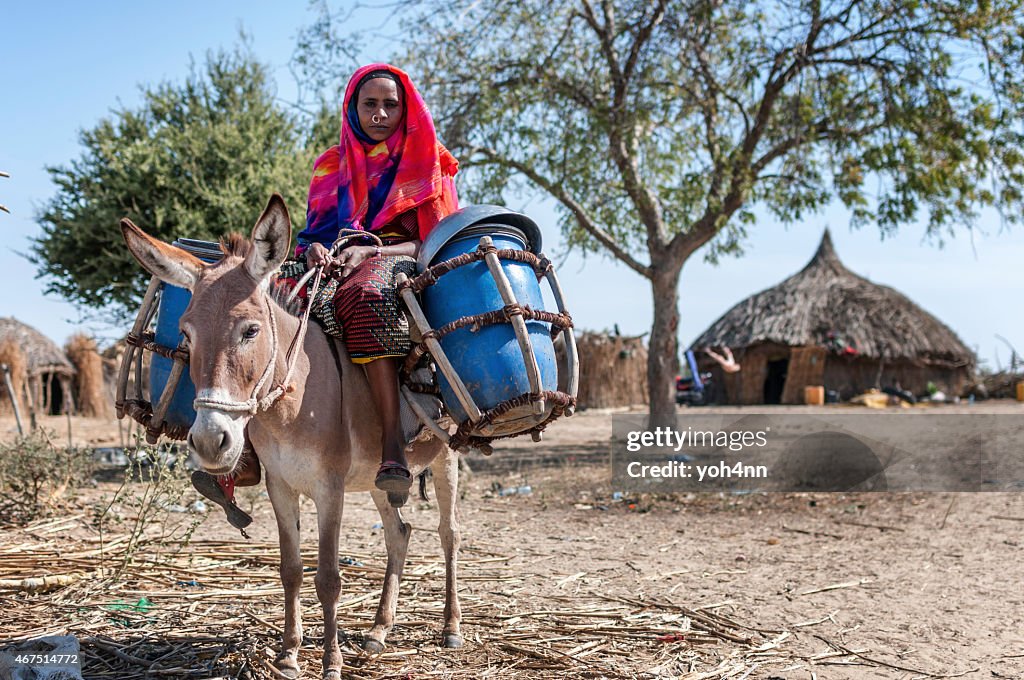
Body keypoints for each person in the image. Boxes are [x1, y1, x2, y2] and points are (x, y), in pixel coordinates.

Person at [192, 63, 459, 524]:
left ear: (406, 108)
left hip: (401, 260)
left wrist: (372, 250)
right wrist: (312, 248)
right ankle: (245, 448)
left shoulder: (429, 160)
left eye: (390, 105)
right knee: (244, 300)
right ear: (353, 108)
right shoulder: (331, 163)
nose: (379, 113)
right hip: (331, 260)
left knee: (366, 298)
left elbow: (435, 239)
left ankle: (392, 442)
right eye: (369, 104)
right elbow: (316, 230)